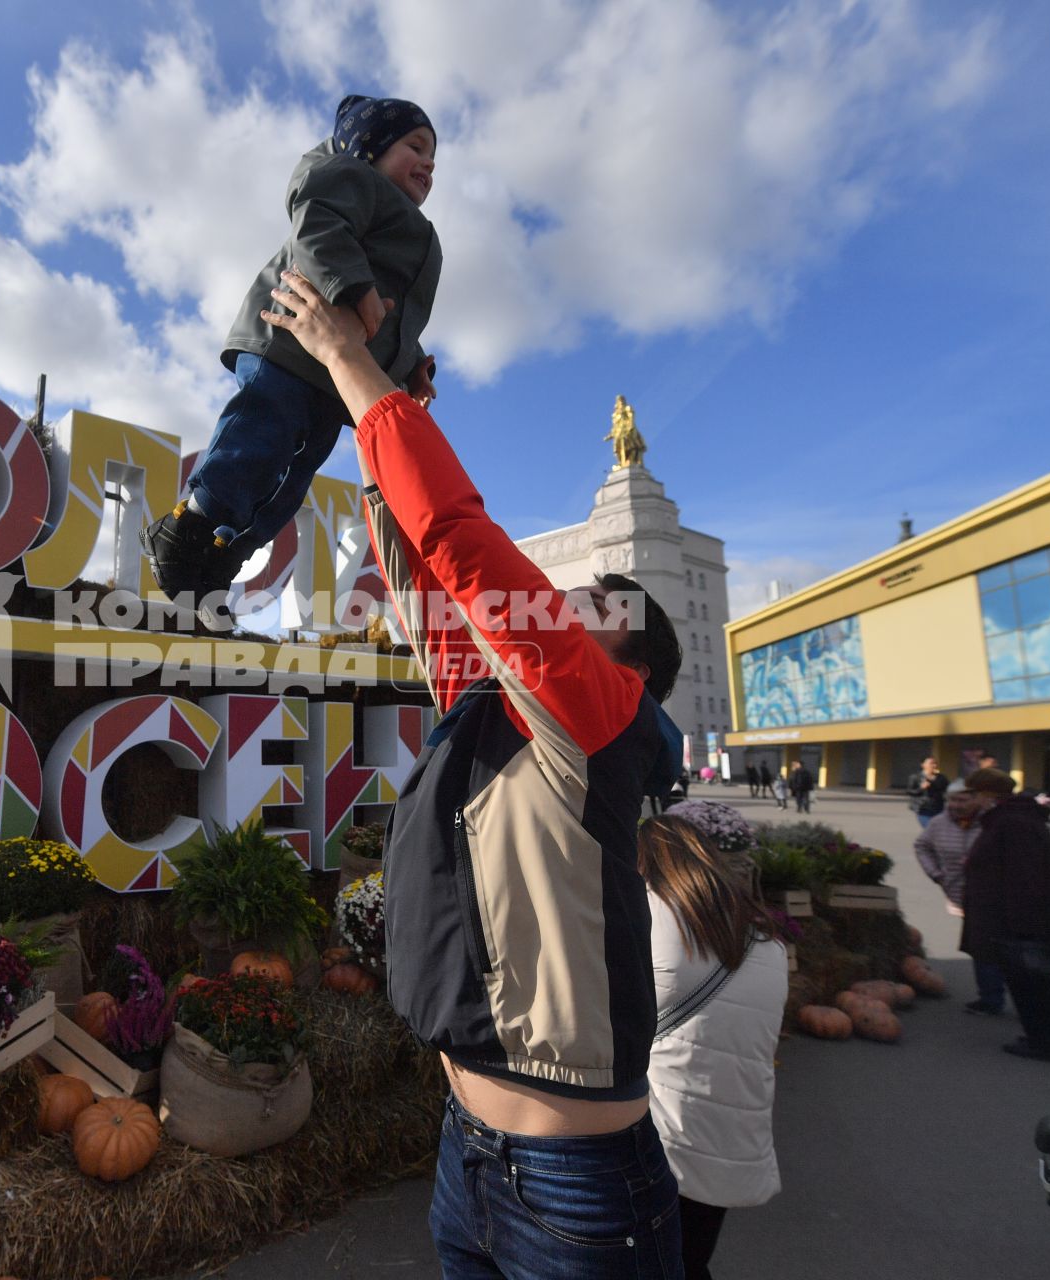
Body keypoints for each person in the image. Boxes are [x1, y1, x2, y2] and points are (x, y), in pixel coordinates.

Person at [260, 267, 687, 1277]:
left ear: (625, 658)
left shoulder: (595, 707)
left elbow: (464, 542)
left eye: (589, 603)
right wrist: (393, 406)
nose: (560, 601)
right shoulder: (499, 707)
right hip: (472, 1155)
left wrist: (346, 358)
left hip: (578, 1186)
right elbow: (420, 571)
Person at [144, 95, 442, 617]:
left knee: (296, 474)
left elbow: (392, 316)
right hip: (288, 344)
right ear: (368, 148)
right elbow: (318, 223)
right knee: (262, 431)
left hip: (335, 377)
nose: (428, 164)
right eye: (415, 146)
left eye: (433, 159)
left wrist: (409, 365)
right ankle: (187, 523)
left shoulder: (416, 232)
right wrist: (352, 284)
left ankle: (224, 553)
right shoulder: (348, 176)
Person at [639, 816, 788, 1280]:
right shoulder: (767, 943)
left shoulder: (649, 917)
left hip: (666, 1137)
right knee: (691, 1260)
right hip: (733, 1139)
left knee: (649, 1262)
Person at [958, 769, 1050, 1063]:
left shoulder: (1012, 823)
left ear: (988, 795)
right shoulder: (1013, 819)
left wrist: (1021, 927)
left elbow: (1025, 877)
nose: (970, 799)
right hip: (1020, 919)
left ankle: (1044, 1043)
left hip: (1019, 923)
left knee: (1032, 983)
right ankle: (1048, 1039)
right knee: (1037, 984)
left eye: (973, 794)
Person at [912, 781, 1007, 1015]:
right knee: (982, 946)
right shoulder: (938, 824)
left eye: (962, 800)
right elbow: (921, 846)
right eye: (951, 800)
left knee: (991, 946)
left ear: (978, 799)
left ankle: (995, 997)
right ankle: (992, 995)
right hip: (961, 894)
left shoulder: (993, 822)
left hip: (995, 895)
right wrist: (936, 874)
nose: (955, 805)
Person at [906, 756, 948, 830]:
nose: (934, 765)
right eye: (931, 763)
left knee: (938, 830)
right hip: (923, 808)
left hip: (938, 808)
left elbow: (948, 790)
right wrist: (921, 788)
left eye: (935, 763)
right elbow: (909, 791)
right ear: (923, 765)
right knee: (930, 829)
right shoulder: (915, 777)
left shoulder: (942, 778)